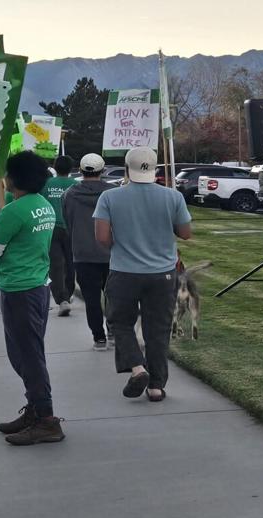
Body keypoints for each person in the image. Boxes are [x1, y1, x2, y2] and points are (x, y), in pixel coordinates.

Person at [93, 146, 193, 403]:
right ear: (155, 168)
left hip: (124, 272)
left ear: (127, 168)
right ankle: (156, 387)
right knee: (157, 330)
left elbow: (102, 238)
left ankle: (138, 368)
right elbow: (185, 233)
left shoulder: (109, 198)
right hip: (163, 274)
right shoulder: (173, 197)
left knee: (119, 322)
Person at [0, 152, 64, 445]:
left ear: (14, 178)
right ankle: (36, 409)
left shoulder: (14, 211)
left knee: (27, 357)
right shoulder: (43, 206)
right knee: (28, 353)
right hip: (39, 285)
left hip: (19, 288)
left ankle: (46, 418)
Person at [63, 153, 114, 351]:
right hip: (111, 252)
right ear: (103, 171)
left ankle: (98, 338)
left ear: (81, 170)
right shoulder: (113, 193)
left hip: (83, 254)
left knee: (91, 299)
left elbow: (68, 222)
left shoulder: (69, 194)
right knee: (113, 296)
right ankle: (113, 331)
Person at [43, 155, 80, 316]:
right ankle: (68, 293)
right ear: (71, 168)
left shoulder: (46, 185)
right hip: (71, 229)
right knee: (71, 264)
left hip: (51, 228)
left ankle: (62, 299)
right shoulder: (76, 185)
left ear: (55, 168)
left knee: (55, 265)